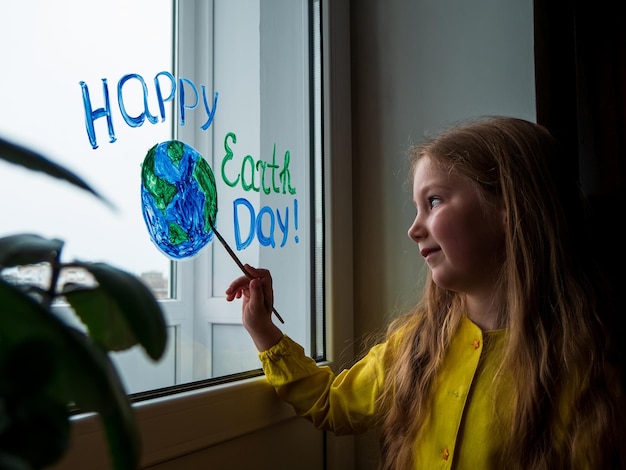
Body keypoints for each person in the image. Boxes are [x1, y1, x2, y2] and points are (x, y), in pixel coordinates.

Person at [225, 116, 625, 469]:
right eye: (417, 207)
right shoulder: (416, 345)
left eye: (433, 201)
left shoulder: (585, 362)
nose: (413, 229)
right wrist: (264, 331)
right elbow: (334, 402)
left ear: (510, 209)